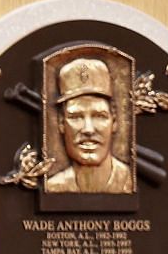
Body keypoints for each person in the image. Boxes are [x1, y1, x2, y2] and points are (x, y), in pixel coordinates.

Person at [43, 56, 135, 194]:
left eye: (99, 116)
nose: (88, 129)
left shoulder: (130, 181)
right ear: (61, 123)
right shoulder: (53, 187)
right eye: (76, 117)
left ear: (114, 121)